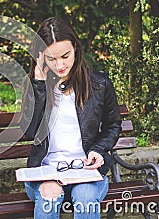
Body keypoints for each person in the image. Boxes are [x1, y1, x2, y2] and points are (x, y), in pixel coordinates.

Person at [19, 17, 122, 218]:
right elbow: (29, 132)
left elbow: (113, 126)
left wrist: (98, 150)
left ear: (75, 47)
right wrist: (39, 85)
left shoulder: (99, 84)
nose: (59, 65)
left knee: (85, 197)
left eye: (65, 56)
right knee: (50, 194)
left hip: (86, 172)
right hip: (46, 173)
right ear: (40, 57)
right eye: (51, 58)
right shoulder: (36, 85)